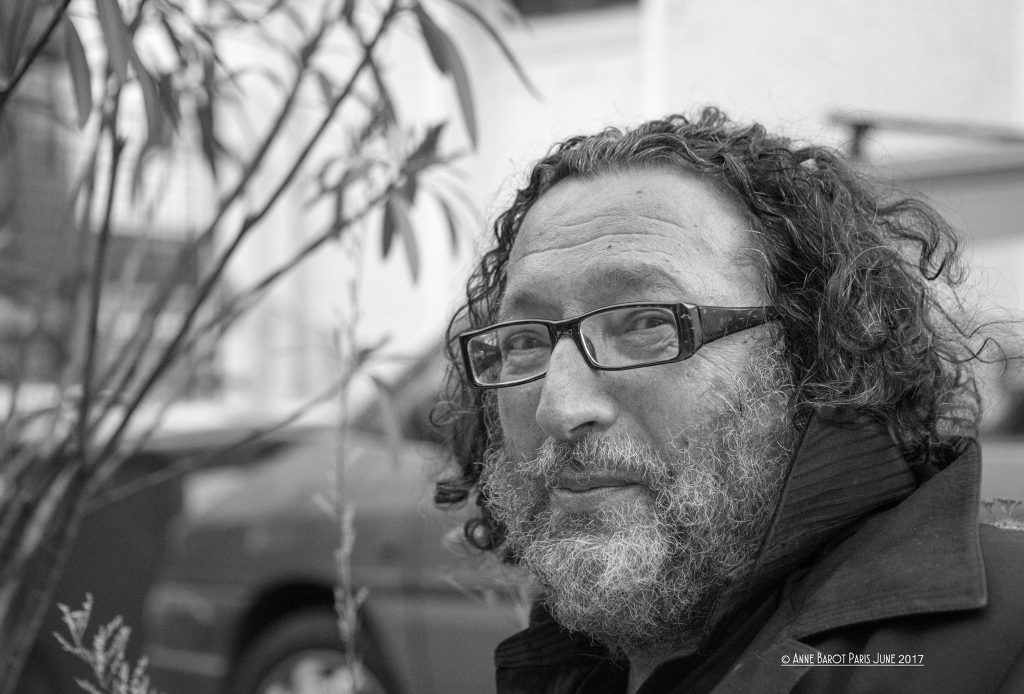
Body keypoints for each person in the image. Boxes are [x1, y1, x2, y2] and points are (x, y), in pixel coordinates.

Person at [434, 108, 1024, 694]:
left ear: (814, 350)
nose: (559, 409)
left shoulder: (1001, 643)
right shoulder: (573, 658)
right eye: (523, 341)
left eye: (648, 323)